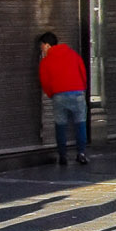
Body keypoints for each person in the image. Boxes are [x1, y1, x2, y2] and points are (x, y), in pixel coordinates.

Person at [37, 31, 90, 164]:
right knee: (80, 124)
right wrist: (82, 88)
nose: (41, 49)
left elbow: (45, 81)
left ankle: (63, 156)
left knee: (60, 126)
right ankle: (81, 153)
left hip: (59, 95)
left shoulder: (46, 61)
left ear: (47, 45)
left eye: (42, 46)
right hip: (77, 93)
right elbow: (83, 72)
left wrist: (51, 94)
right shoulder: (73, 55)